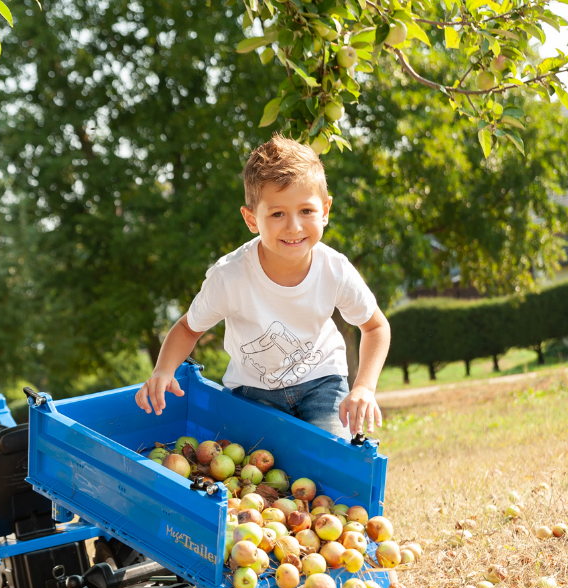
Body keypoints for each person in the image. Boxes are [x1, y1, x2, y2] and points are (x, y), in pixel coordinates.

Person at [135, 133, 390, 438]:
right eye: (277, 213)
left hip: (323, 381)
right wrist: (163, 369)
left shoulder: (334, 269)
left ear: (324, 211)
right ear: (251, 219)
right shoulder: (230, 277)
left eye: (306, 211)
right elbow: (189, 328)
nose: (294, 226)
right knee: (261, 469)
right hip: (253, 393)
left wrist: (364, 386)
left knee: (334, 458)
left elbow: (375, 327)